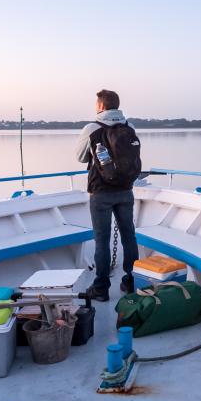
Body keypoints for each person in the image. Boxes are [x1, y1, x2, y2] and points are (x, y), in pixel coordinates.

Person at [75, 89, 142, 302]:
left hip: (101, 192)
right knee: (129, 236)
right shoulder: (129, 127)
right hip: (125, 190)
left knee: (101, 240)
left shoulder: (91, 128)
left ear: (101, 106)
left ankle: (101, 288)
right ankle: (131, 281)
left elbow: (80, 157)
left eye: (97, 103)